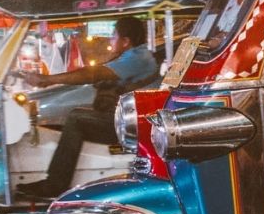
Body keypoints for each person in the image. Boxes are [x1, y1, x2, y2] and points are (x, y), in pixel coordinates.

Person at [15, 16, 158, 199]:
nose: (111, 40)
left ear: (125, 41)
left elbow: (94, 73)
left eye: (114, 36)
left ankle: (54, 185)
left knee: (76, 118)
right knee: (73, 119)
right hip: (126, 120)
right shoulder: (136, 55)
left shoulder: (137, 58)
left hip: (129, 126)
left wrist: (48, 80)